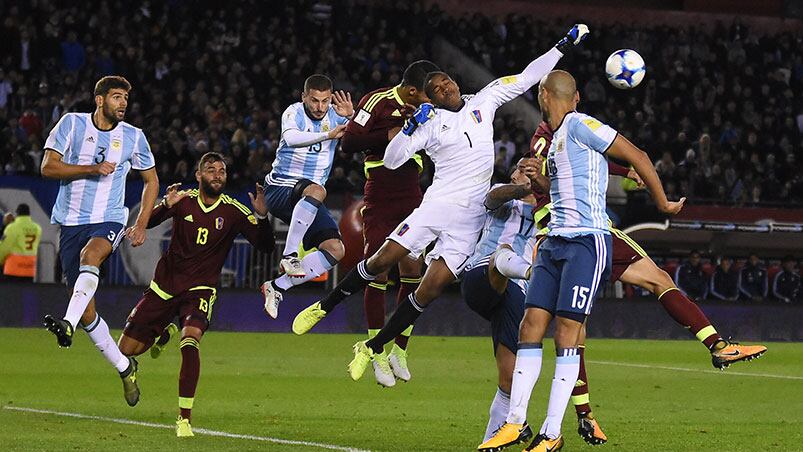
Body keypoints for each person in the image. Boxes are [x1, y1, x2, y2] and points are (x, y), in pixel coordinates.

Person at [292, 25, 591, 385]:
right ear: (429, 98)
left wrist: (562, 46)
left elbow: (528, 76)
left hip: (471, 217)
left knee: (429, 289)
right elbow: (391, 160)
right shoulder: (429, 122)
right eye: (437, 89)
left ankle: (372, 347)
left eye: (447, 81)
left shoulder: (485, 99)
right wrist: (407, 129)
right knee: (382, 260)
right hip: (437, 206)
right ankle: (324, 306)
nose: (446, 88)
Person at [518, 124, 767, 446]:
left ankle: (584, 416)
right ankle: (718, 346)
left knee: (573, 334)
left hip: (552, 236)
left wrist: (623, 170)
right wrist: (629, 169)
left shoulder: (543, 148)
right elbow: (585, 164)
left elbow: (570, 167)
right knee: (659, 280)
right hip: (588, 233)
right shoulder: (566, 133)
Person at [479, 68, 684, 452]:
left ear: (544, 97)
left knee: (566, 335)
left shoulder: (580, 124)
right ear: (570, 97)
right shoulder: (554, 141)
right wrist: (535, 182)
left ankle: (551, 432)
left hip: (586, 242)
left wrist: (661, 202)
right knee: (530, 326)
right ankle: (514, 422)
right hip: (554, 240)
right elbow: (555, 189)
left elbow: (636, 154)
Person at [117, 152, 275, 436]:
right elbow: (148, 223)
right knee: (125, 351)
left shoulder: (234, 211)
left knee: (190, 340)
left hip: (200, 289)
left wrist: (262, 216)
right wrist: (165, 204)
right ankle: (164, 332)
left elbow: (265, 246)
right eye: (211, 170)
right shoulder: (184, 200)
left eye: (222, 171)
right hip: (164, 286)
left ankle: (184, 419)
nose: (217, 175)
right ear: (199, 175)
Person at [40, 75, 159, 405]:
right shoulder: (72, 125)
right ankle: (124, 367)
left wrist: (141, 223)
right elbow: (48, 167)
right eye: (117, 97)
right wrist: (91, 170)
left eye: (125, 98)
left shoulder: (134, 137)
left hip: (109, 217)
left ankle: (67, 322)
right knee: (89, 312)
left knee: (91, 257)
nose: (123, 103)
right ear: (99, 99)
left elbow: (151, 180)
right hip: (70, 221)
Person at [332, 60, 440, 386]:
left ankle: (399, 351)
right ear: (410, 91)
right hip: (379, 191)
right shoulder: (377, 101)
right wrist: (390, 133)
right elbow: (349, 142)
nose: (428, 102)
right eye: (424, 96)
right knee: (377, 269)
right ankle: (376, 351)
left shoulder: (428, 110)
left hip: (412, 191)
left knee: (412, 270)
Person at [260, 74, 353, 318]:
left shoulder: (337, 115)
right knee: (318, 190)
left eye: (324, 101)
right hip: (280, 189)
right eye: (314, 101)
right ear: (304, 97)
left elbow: (363, 139)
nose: (320, 107)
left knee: (336, 249)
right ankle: (290, 256)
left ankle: (277, 287)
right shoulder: (294, 112)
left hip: (308, 197)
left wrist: (353, 118)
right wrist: (328, 135)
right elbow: (291, 138)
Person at [461, 163, 539, 444]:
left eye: (526, 170)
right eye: (518, 169)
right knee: (501, 253)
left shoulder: (550, 213)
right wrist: (524, 188)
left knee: (510, 381)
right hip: (481, 276)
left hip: (517, 294)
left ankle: (491, 442)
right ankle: (531, 271)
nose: (517, 172)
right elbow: (492, 198)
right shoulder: (502, 196)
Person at [0, 203, 42, 281]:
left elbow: (4, 248)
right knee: (26, 292)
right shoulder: (37, 228)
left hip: (13, 269)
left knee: (11, 292)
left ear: (17, 213)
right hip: (29, 269)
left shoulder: (12, 227)